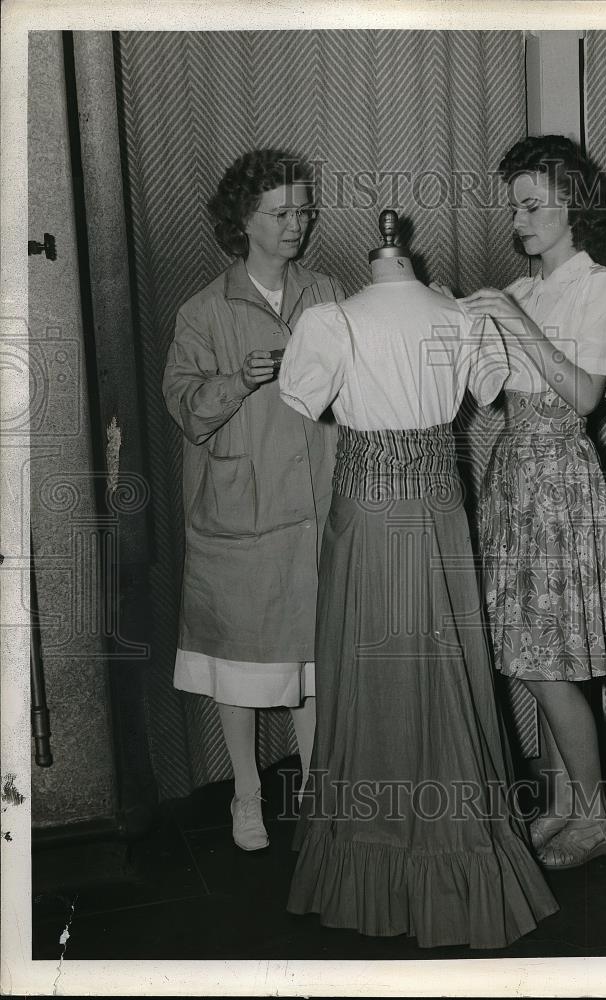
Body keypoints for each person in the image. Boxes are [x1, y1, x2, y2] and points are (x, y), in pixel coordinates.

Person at [277, 217, 558, 950]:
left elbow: (303, 400)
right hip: (433, 505)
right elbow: (490, 391)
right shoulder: (452, 316)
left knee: (386, 674)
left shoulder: (333, 321)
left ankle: (389, 866)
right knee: (435, 672)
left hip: (372, 512)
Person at [460, 135, 606, 870]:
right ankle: (565, 803)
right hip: (513, 476)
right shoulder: (520, 291)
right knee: (530, 651)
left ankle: (595, 818)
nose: (519, 220)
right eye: (514, 206)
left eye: (532, 205)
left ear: (572, 205)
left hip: (561, 476)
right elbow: (482, 392)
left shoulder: (601, 285)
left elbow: (582, 394)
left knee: (548, 661)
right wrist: (461, 326)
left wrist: (514, 323)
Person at [162, 149, 345, 851]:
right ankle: (245, 794)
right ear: (242, 222)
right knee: (239, 663)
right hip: (241, 512)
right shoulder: (204, 311)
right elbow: (186, 410)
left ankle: (319, 789)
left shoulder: (327, 293)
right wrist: (238, 380)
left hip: (320, 503)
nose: (296, 224)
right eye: (280, 213)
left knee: (311, 664)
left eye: (303, 210)